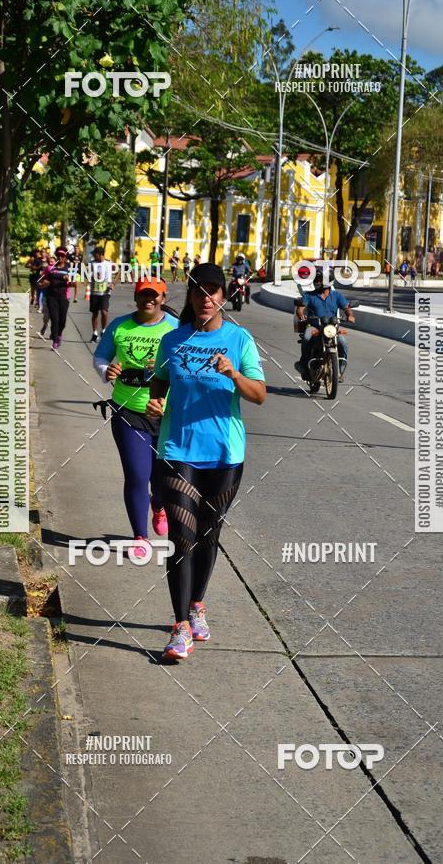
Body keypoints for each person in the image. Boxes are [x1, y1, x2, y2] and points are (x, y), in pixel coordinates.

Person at [146, 264, 266, 660]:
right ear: (191, 296)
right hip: (178, 451)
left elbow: (260, 395)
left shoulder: (240, 340)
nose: (205, 298)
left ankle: (197, 603)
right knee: (181, 538)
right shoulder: (172, 341)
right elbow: (159, 386)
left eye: (213, 291)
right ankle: (179, 626)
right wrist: (155, 403)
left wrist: (233, 373)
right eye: (198, 291)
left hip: (225, 455)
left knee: (207, 535)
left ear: (224, 296)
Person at [94, 277, 178, 557]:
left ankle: (159, 505)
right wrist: (106, 371)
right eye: (144, 295)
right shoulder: (119, 326)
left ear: (164, 298)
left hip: (166, 413)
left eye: (155, 295)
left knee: (163, 478)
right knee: (137, 475)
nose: (149, 300)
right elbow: (101, 357)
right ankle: (140, 536)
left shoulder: (176, 329)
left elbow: (187, 368)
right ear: (137, 297)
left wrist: (165, 367)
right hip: (127, 410)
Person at [295, 270, 355, 381]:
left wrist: (350, 315)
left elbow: (347, 308)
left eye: (319, 280)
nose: (317, 282)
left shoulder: (336, 295)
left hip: (331, 328)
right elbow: (301, 308)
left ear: (328, 281)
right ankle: (303, 365)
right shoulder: (310, 295)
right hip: (314, 327)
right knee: (307, 337)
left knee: (343, 342)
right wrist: (301, 315)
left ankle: (340, 371)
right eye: (316, 280)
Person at [38, 247, 71, 349]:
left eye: (62, 256)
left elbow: (75, 283)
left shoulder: (69, 268)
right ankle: (55, 340)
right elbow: (40, 282)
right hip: (52, 297)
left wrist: (68, 280)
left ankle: (59, 333)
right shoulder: (50, 268)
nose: (60, 257)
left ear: (65, 257)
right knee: (54, 319)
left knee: (62, 320)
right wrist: (43, 284)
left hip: (64, 297)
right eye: (58, 256)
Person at [88, 246, 114, 342]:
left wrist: (113, 283)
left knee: (104, 312)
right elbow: (86, 273)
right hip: (94, 292)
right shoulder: (92, 264)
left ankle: (103, 330)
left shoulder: (109, 263)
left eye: (95, 254)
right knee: (95, 313)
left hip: (105, 292)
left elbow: (119, 271)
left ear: (100, 254)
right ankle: (94, 333)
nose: (94, 256)